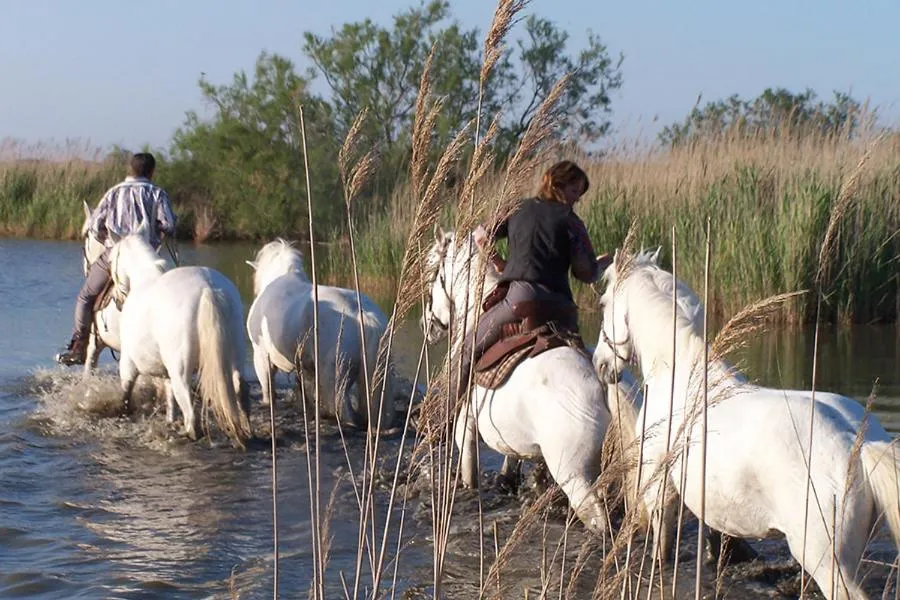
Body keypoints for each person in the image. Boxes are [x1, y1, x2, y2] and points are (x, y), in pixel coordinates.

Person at [453, 159, 611, 400]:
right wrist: (602, 263)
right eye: (574, 191)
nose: (576, 199)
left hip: (521, 300)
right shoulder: (571, 221)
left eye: (578, 194)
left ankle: (442, 419)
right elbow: (585, 273)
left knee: (467, 349)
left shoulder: (517, 208)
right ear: (557, 184)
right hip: (562, 308)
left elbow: (480, 235)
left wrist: (500, 263)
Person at [55, 152, 177, 366]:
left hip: (116, 255)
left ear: (130, 170)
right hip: (147, 258)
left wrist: (106, 237)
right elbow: (169, 225)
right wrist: (156, 232)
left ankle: (78, 346)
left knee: (85, 296)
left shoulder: (113, 192)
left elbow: (94, 225)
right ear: (152, 171)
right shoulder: (158, 194)